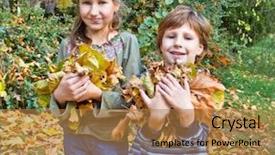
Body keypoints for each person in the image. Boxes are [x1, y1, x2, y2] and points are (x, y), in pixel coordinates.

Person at [49, 0, 144, 154]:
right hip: (74, 137)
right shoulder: (68, 45)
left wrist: (98, 95)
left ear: (116, 5)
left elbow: (134, 98)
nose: (93, 11)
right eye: (86, 3)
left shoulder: (126, 42)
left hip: (111, 139)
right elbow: (54, 98)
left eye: (102, 3)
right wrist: (60, 96)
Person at [129, 5, 224, 155]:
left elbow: (201, 150)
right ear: (161, 44)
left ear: (200, 47)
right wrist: (155, 121)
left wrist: (187, 116)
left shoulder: (207, 91)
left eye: (187, 38)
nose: (178, 43)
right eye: (171, 36)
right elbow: (134, 150)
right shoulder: (143, 86)